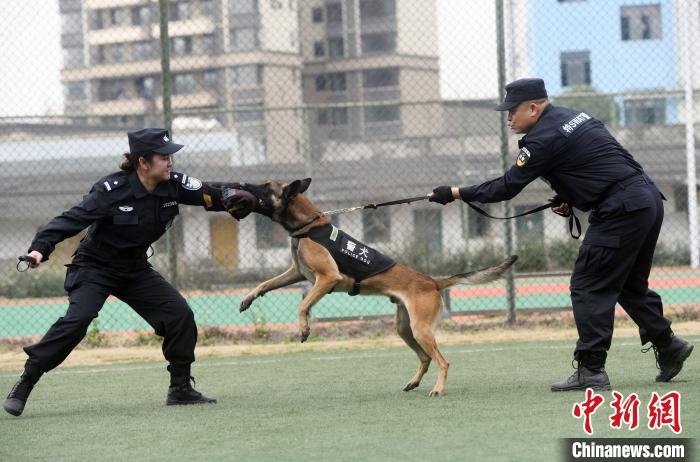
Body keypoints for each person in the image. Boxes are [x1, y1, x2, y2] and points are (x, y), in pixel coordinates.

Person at [428, 78, 694, 391]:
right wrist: (572, 194)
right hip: (646, 199)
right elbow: (598, 162)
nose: (508, 117)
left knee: (588, 285)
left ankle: (591, 369)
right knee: (628, 285)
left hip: (621, 209)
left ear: (533, 107)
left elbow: (506, 187)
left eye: (512, 111)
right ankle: (669, 345)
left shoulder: (541, 139)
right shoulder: (574, 117)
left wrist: (456, 192)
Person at [3, 128, 257, 416]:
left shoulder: (174, 185)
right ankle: (27, 379)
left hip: (134, 268)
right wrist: (39, 249)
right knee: (78, 320)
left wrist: (250, 197)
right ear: (143, 162)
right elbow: (71, 219)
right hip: (95, 267)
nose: (170, 162)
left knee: (179, 315)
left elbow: (212, 192)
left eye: (170, 156)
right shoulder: (111, 190)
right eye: (164, 157)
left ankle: (180, 389)